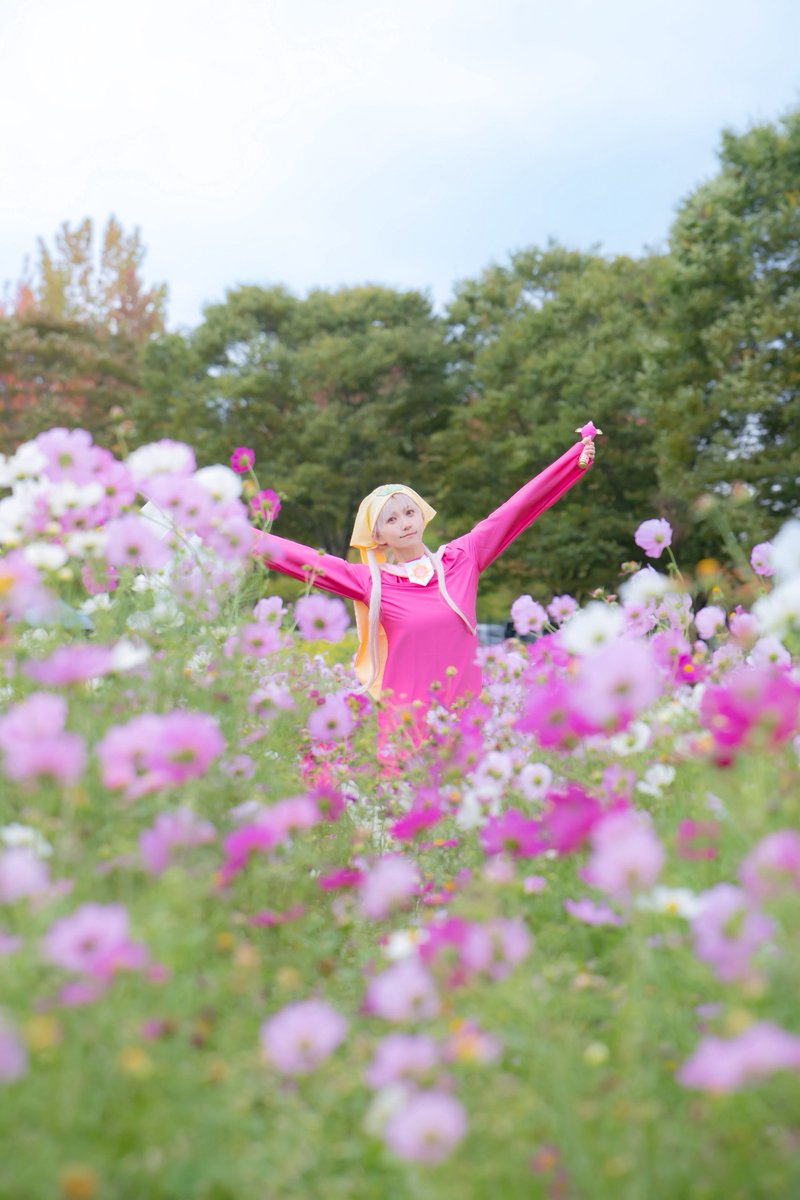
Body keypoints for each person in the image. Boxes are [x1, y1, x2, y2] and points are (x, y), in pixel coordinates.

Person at [252, 426, 598, 760]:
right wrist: (235, 533)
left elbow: (514, 510)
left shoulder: (462, 559)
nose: (404, 523)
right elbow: (304, 559)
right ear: (378, 537)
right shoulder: (370, 581)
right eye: (391, 520)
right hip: (406, 731)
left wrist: (572, 462)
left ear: (421, 516)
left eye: (409, 512)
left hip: (466, 724)